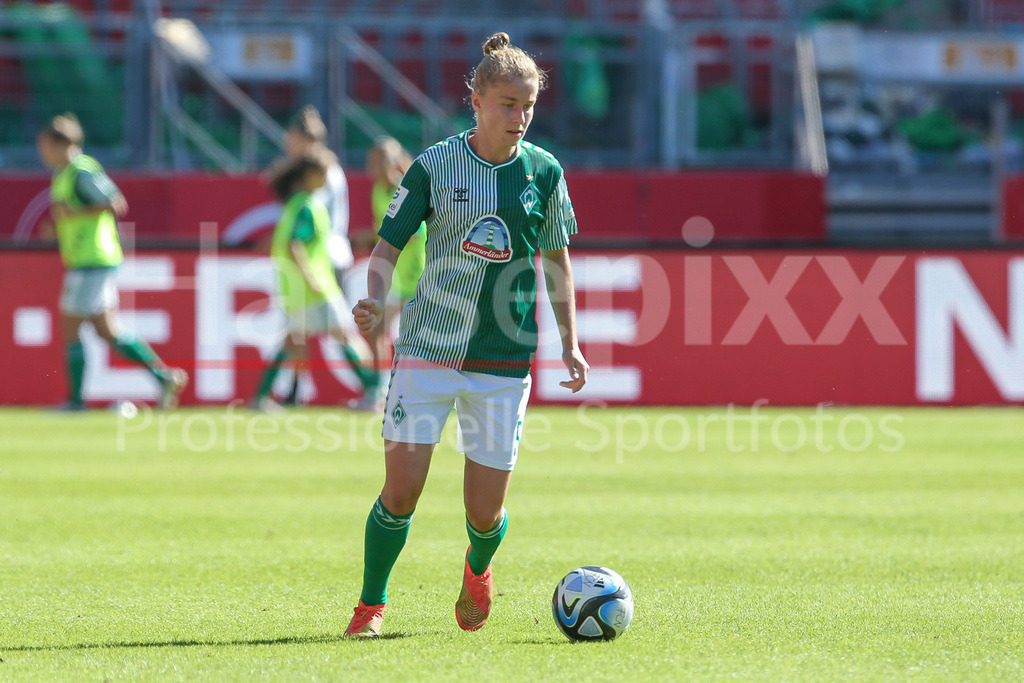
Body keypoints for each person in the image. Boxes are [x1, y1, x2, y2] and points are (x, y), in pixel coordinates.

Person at [345, 32, 589, 638]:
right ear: (476, 101)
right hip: (427, 350)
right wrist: (374, 296)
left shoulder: (544, 172)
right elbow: (386, 247)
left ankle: (477, 568)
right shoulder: (434, 166)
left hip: (503, 361)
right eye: (508, 104)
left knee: (484, 514)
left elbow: (556, 261)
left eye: (528, 105)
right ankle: (371, 607)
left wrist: (570, 341)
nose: (520, 117)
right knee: (401, 493)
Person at [37, 112, 188, 411]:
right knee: (108, 331)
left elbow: (114, 203)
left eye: (45, 145)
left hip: (91, 259)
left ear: (60, 144)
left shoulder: (81, 171)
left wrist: (73, 214)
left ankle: (75, 402)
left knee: (70, 326)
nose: (42, 152)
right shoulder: (64, 174)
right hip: (89, 258)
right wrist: (60, 225)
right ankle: (163, 377)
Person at [250, 147, 379, 412]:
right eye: (323, 173)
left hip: (294, 290)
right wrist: (311, 278)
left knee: (292, 342)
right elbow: (294, 244)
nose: (326, 178)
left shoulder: (294, 205)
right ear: (309, 175)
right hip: (315, 287)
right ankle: (373, 394)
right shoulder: (308, 206)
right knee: (344, 335)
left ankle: (259, 398)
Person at [277, 105, 356, 407]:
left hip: (323, 262)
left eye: (291, 139)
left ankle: (374, 387)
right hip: (318, 260)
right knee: (297, 332)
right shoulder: (317, 169)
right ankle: (295, 389)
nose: (288, 145)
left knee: (339, 330)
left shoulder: (321, 173)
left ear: (304, 139)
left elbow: (310, 218)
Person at [363, 136, 426, 385]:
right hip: (394, 276)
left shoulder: (405, 190)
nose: (373, 167)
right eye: (371, 161)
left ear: (393, 162)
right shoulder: (378, 191)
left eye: (379, 161)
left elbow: (414, 233)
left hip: (414, 275)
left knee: (416, 339)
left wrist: (378, 236)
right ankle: (379, 388)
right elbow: (381, 230)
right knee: (377, 330)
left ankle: (422, 387)